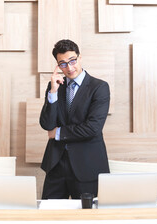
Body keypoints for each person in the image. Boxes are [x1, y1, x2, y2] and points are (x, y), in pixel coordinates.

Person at [39, 39, 110, 199]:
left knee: (87, 218)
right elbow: (47, 124)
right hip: (56, 165)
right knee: (49, 216)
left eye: (72, 61)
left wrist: (58, 133)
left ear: (80, 57)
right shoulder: (55, 87)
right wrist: (53, 93)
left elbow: (93, 128)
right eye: (63, 64)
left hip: (87, 165)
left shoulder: (99, 87)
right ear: (57, 65)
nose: (69, 68)